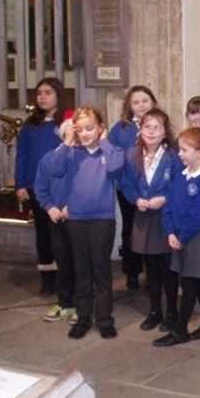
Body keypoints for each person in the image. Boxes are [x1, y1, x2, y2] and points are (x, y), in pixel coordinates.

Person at [48, 105, 125, 340]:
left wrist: (104, 142)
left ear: (101, 128)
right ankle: (83, 318)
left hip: (102, 218)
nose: (84, 133)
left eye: (89, 128)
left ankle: (104, 318)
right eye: (79, 129)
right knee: (82, 270)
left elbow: (116, 166)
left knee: (101, 270)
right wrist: (67, 142)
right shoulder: (71, 153)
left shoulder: (109, 151)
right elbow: (54, 169)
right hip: (77, 219)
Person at [154, 128, 200, 347]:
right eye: (179, 149)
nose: (179, 154)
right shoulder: (181, 176)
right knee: (198, 282)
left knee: (190, 283)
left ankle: (180, 330)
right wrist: (170, 231)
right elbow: (169, 205)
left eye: (184, 150)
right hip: (180, 236)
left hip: (196, 237)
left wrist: (181, 236)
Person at [120, 108, 180, 332]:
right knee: (151, 269)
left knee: (168, 268)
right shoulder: (131, 155)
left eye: (157, 127)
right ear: (140, 130)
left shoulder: (173, 156)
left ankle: (172, 311)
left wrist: (164, 198)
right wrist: (136, 199)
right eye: (147, 127)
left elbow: (179, 185)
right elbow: (126, 183)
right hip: (144, 217)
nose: (151, 132)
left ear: (165, 132)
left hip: (166, 218)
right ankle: (155, 310)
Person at [15, 77, 67, 297]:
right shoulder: (30, 125)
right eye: (39, 93)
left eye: (48, 93)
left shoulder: (66, 122)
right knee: (43, 233)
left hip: (60, 187)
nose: (42, 97)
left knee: (62, 235)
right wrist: (20, 183)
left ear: (58, 95)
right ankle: (47, 278)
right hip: (36, 186)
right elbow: (22, 155)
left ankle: (66, 277)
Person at [109, 85, 157, 290]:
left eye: (145, 101)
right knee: (130, 229)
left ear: (152, 102)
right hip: (128, 187)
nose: (141, 105)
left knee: (153, 229)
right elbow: (112, 157)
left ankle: (154, 271)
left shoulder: (159, 124)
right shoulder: (120, 129)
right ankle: (132, 272)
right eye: (136, 102)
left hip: (153, 187)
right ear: (129, 105)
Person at [35, 125, 75, 324]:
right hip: (56, 217)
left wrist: (72, 205)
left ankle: (81, 303)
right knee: (62, 261)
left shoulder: (82, 157)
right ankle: (64, 302)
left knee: (80, 262)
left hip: (77, 217)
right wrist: (49, 207)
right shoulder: (49, 158)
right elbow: (40, 187)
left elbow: (85, 186)